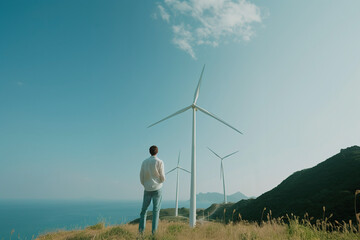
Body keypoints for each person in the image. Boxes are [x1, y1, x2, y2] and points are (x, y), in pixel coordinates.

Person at [139, 145, 165, 234]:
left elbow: (141, 176)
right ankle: (154, 233)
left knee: (143, 211)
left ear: (149, 152)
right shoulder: (159, 162)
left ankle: (141, 233)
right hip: (157, 188)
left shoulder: (144, 162)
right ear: (157, 152)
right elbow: (162, 176)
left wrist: (145, 185)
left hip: (147, 189)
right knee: (156, 211)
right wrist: (161, 181)